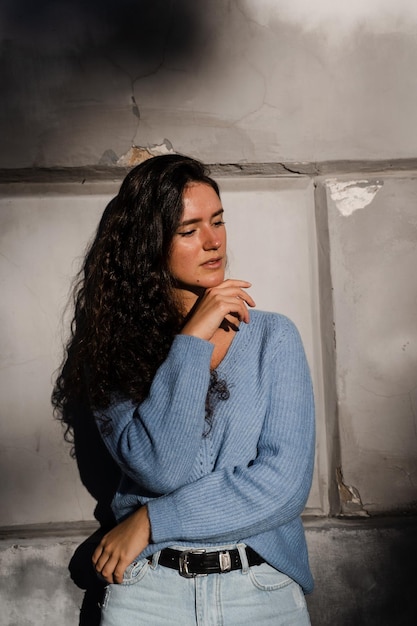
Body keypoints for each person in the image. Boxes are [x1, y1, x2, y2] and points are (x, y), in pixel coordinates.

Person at [52, 154, 315, 625]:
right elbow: (160, 470)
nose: (213, 242)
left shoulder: (274, 338)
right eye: (189, 230)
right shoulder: (113, 350)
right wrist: (191, 343)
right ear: (150, 245)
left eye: (217, 221)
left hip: (259, 588)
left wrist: (152, 521)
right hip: (149, 592)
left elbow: (283, 485)